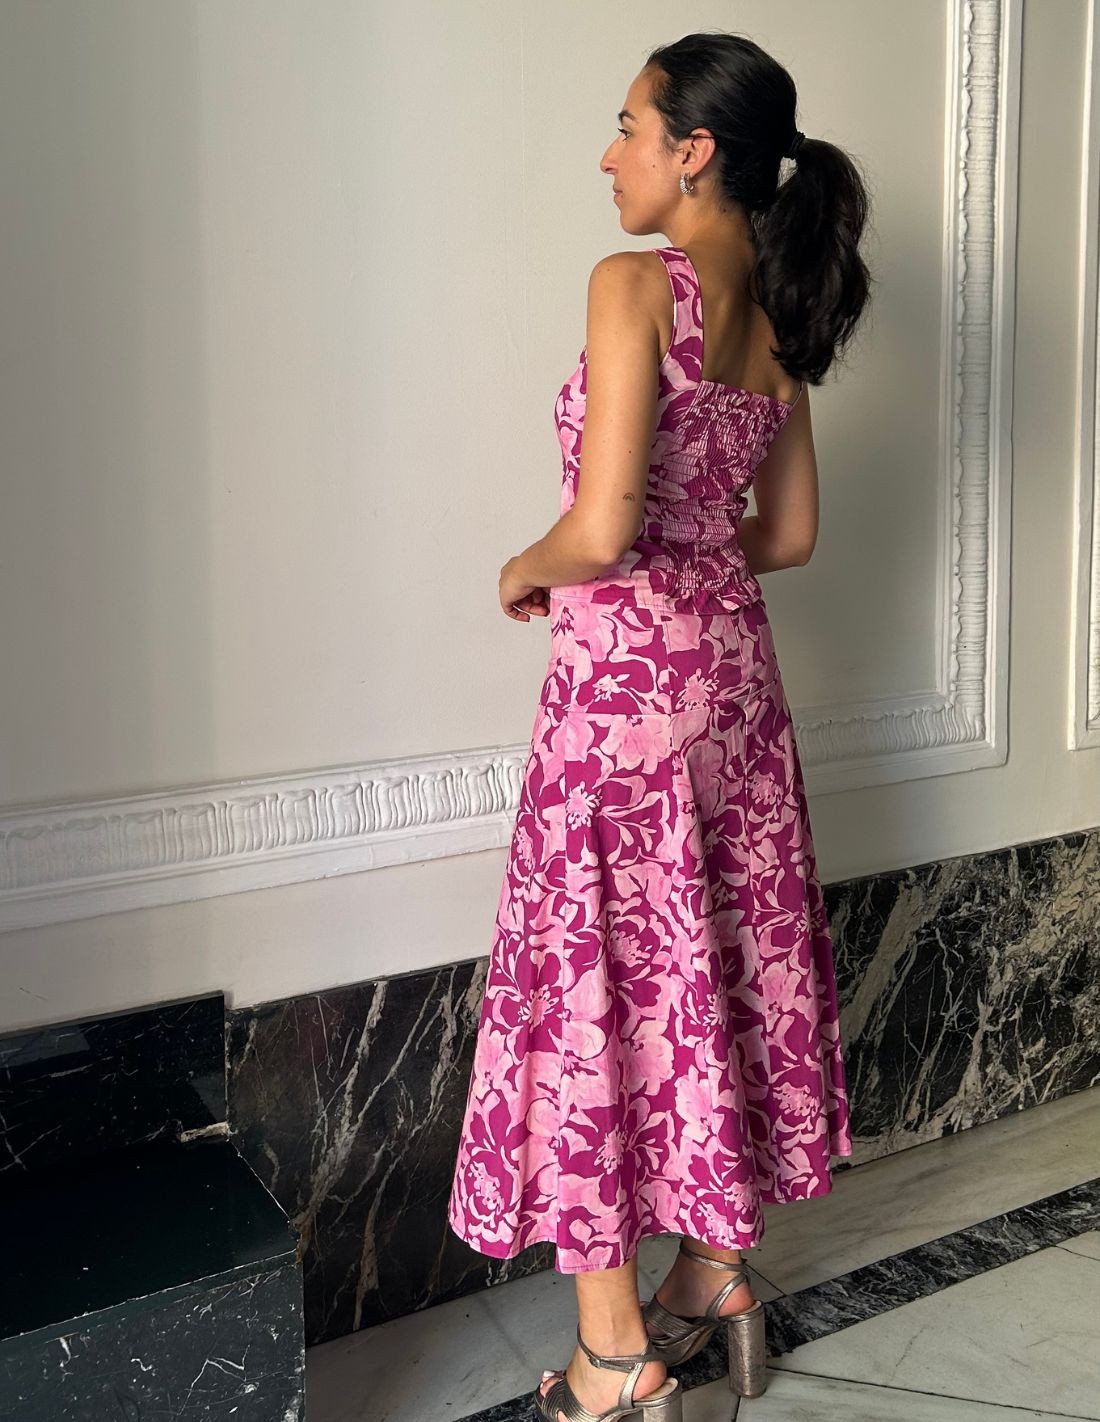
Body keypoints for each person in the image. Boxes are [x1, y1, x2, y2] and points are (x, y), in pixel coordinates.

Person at [447, 29, 873, 1422]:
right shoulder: (781, 311)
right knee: (715, 957)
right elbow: (787, 535)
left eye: (628, 127)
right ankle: (714, 1270)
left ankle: (615, 1354)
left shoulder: (634, 285)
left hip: (624, 696)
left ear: (693, 151)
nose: (609, 153)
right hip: (734, 684)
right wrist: (690, 552)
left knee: (599, 980)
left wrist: (521, 568)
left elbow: (603, 524)